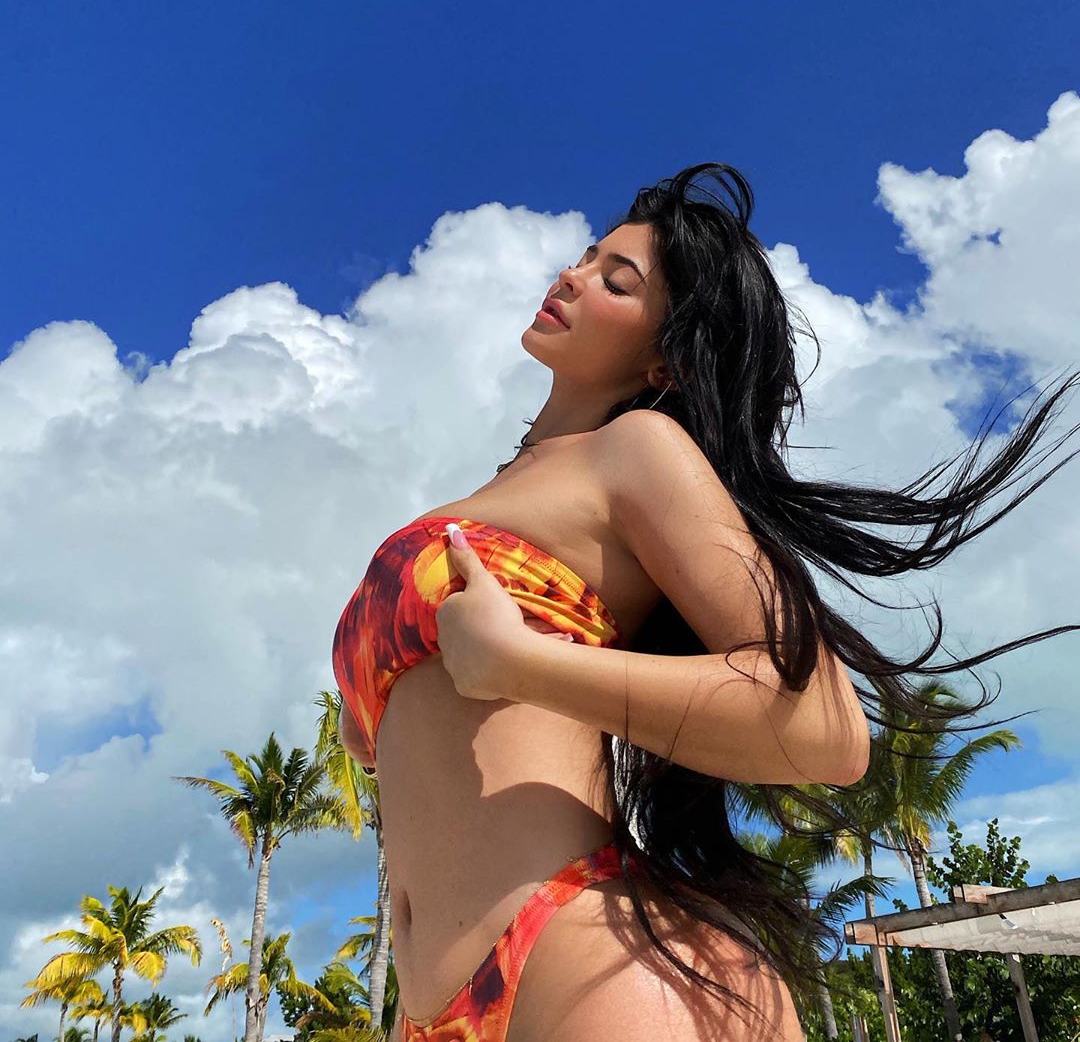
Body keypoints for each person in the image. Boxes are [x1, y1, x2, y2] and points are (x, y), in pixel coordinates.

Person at [332, 163, 1080, 1041]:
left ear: (666, 358)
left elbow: (826, 730)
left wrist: (518, 664)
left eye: (617, 280)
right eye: (584, 257)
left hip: (576, 965)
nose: (572, 275)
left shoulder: (633, 451)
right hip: (427, 1008)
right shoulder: (487, 498)